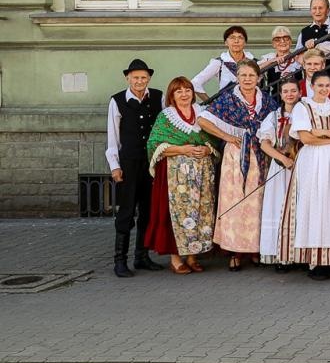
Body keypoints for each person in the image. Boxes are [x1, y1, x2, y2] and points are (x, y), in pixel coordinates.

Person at [284, 70, 330, 279]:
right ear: (312, 86)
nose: (324, 89)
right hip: (312, 159)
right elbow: (306, 138)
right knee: (314, 204)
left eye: (327, 86)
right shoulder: (303, 106)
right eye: (320, 86)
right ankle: (315, 261)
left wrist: (321, 132)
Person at [200, 59, 272, 271]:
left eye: (251, 75)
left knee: (257, 203)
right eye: (243, 76)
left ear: (259, 78)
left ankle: (255, 249)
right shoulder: (228, 100)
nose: (247, 79)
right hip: (236, 156)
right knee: (235, 202)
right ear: (237, 78)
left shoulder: (266, 101)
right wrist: (227, 137)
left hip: (260, 156)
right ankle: (234, 252)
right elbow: (203, 120)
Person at [144, 76, 218, 274]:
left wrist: (208, 150)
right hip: (175, 178)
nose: (184, 94)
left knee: (200, 213)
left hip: (202, 176)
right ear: (172, 95)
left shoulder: (203, 114)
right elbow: (154, 145)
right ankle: (176, 258)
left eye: (187, 90)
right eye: (179, 91)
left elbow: (215, 140)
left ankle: (193, 255)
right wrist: (182, 149)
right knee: (177, 214)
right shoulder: (166, 117)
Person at [106, 58, 163, 278]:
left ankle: (142, 256)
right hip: (128, 163)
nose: (139, 81)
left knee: (148, 211)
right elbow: (113, 137)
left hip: (151, 163)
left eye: (143, 77)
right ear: (127, 78)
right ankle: (120, 260)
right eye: (135, 77)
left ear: (149, 78)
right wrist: (114, 166)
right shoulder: (117, 101)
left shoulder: (158, 97)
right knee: (127, 213)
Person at [257, 78, 301, 269]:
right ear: (281, 94)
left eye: (293, 90)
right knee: (279, 207)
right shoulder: (274, 117)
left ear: (299, 92)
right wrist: (282, 158)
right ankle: (281, 255)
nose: (290, 94)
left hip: (301, 166)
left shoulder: (306, 112)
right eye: (286, 91)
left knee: (300, 209)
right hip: (280, 166)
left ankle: (299, 254)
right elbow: (264, 143)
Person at [192, 25, 255, 101]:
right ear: (226, 42)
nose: (236, 41)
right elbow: (195, 83)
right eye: (232, 38)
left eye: (240, 38)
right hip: (227, 108)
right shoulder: (220, 63)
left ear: (245, 42)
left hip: (251, 107)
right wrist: (211, 103)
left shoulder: (254, 62)